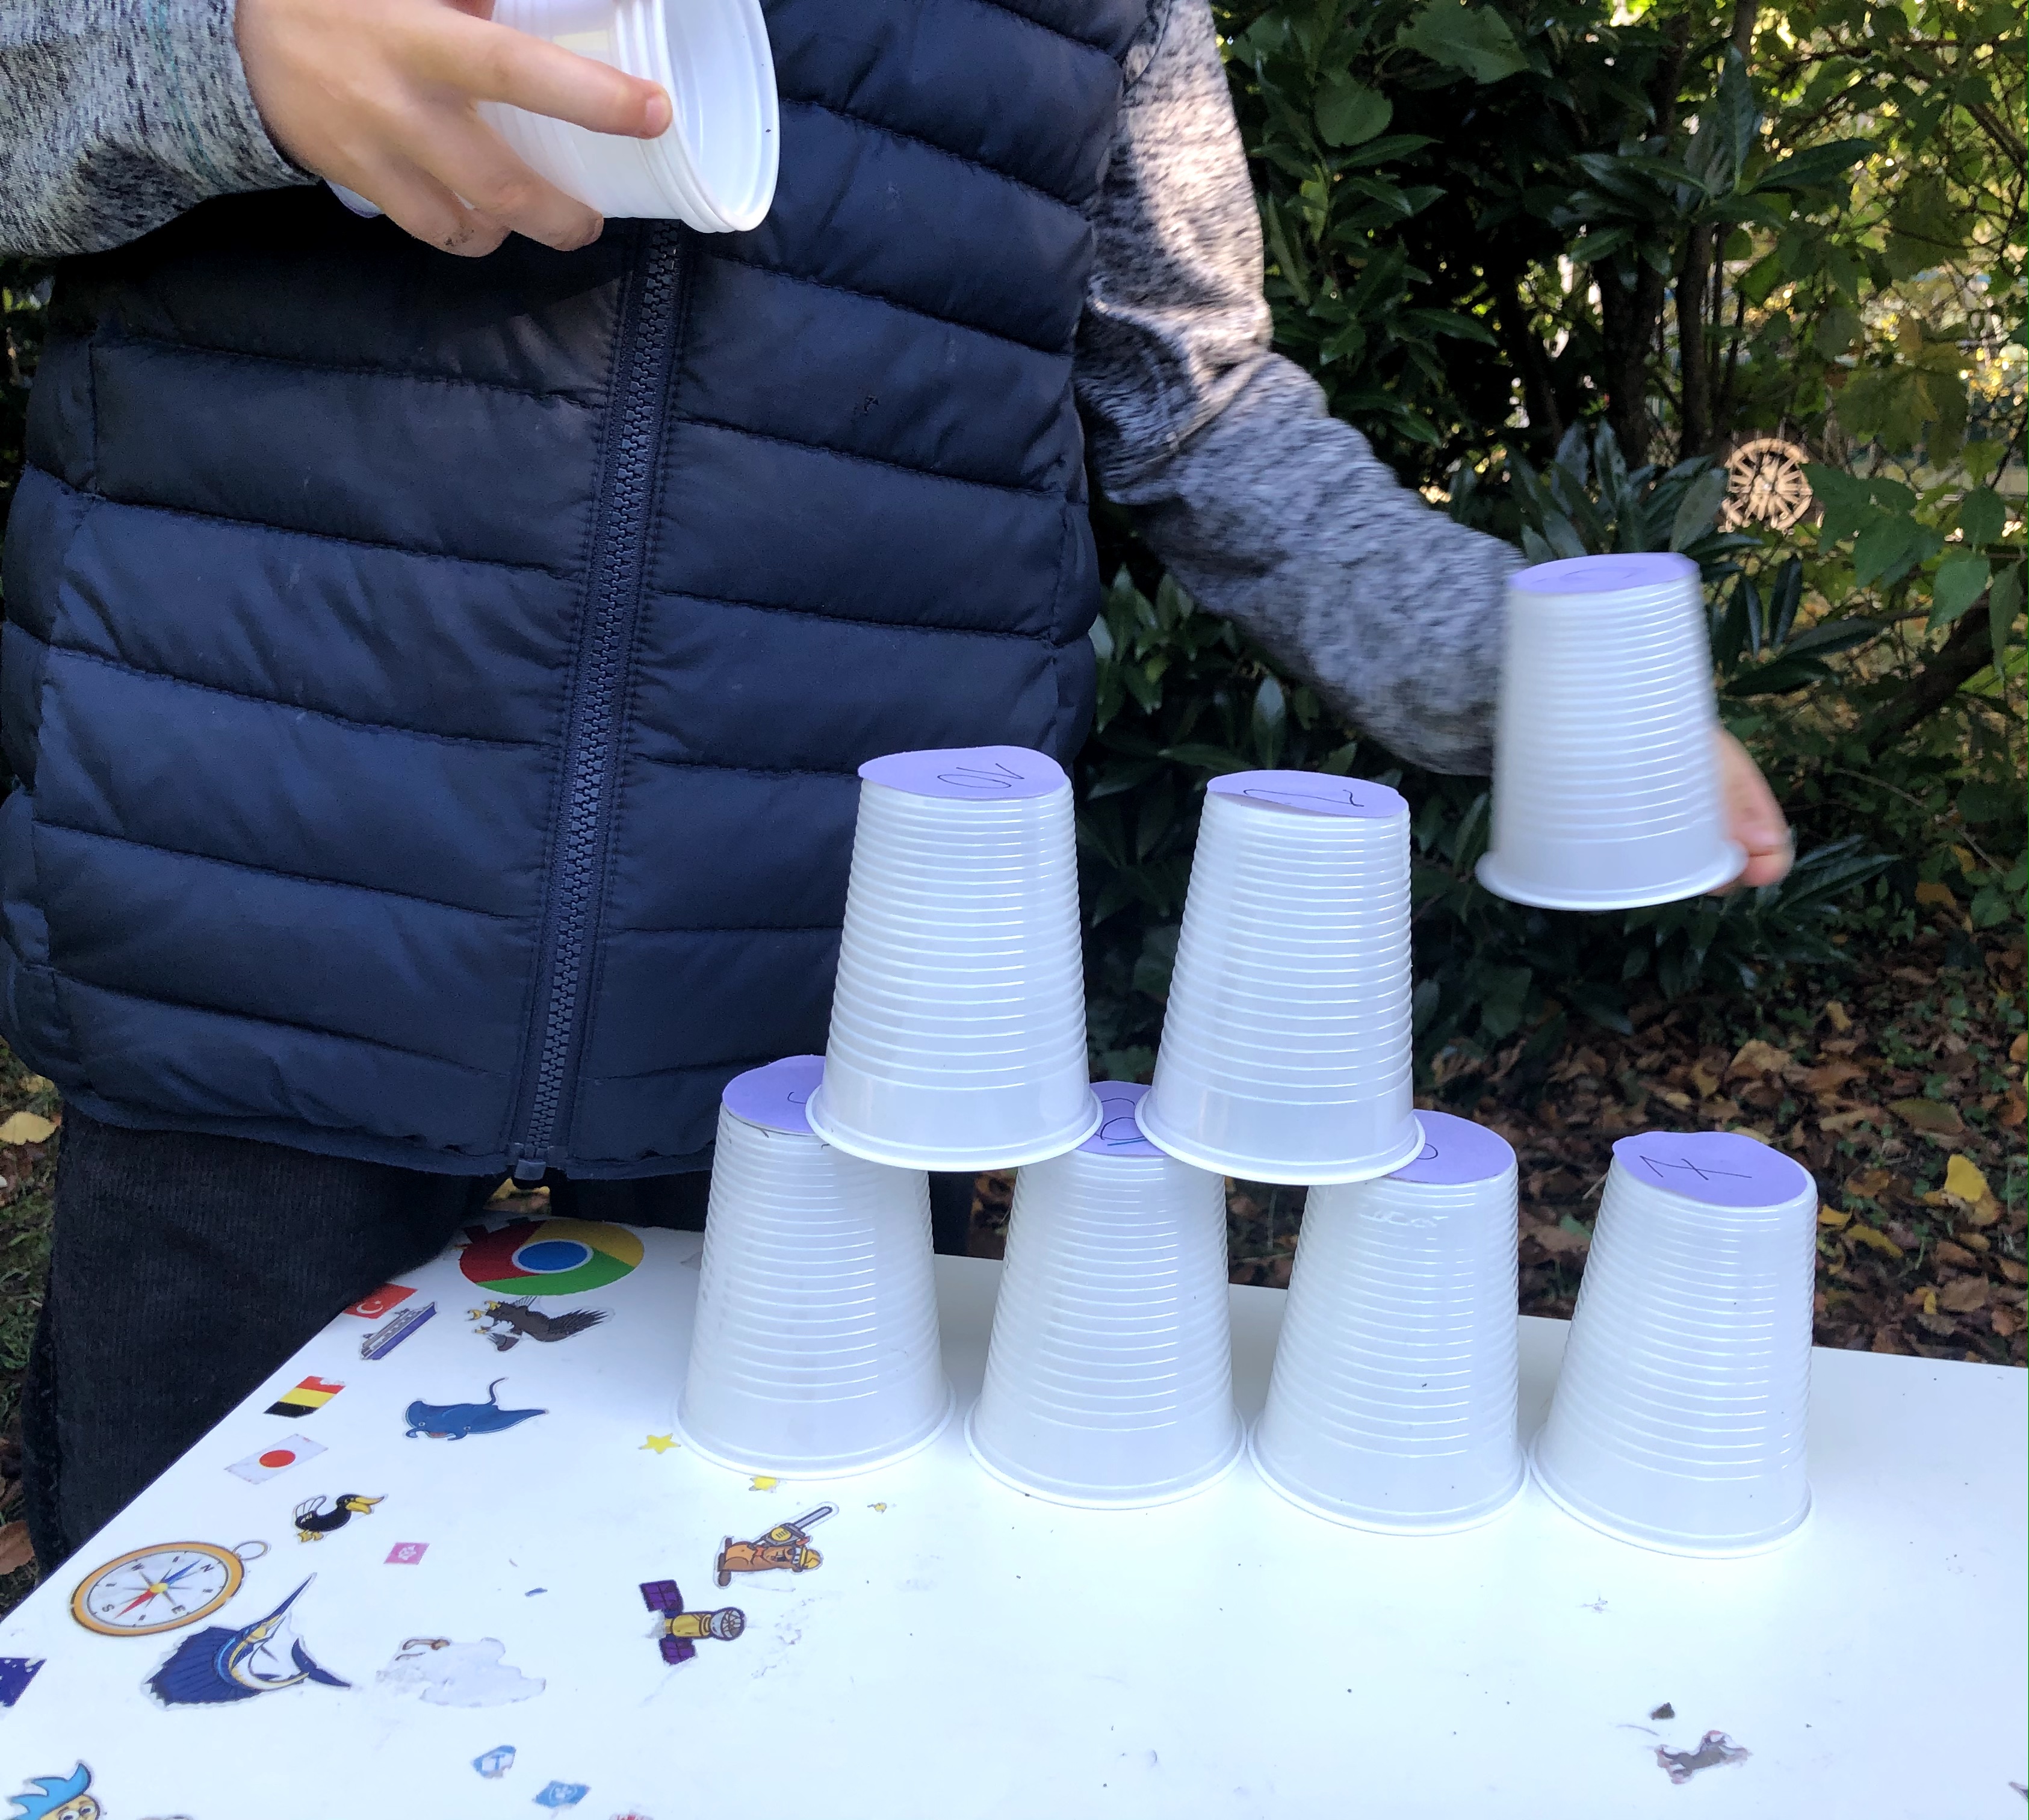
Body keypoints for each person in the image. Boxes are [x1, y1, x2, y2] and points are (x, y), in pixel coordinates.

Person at [0, 0, 1792, 1567]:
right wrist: (221, 52)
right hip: (243, 977)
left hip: (836, 1044)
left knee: (759, 1658)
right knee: (191, 1673)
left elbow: (1187, 402)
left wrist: (1535, 682)